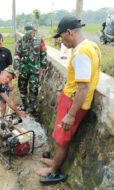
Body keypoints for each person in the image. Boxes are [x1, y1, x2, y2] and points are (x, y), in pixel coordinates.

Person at [36, 16, 101, 184]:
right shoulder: (90, 46)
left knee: (62, 139)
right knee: (59, 136)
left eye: (61, 37)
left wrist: (71, 114)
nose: (62, 42)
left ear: (69, 32)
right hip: (70, 100)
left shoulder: (81, 53)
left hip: (74, 105)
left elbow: (83, 88)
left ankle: (53, 170)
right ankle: (54, 162)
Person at [13, 23, 48, 116]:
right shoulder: (20, 41)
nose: (30, 35)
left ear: (34, 31)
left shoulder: (40, 40)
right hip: (23, 69)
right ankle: (24, 105)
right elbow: (16, 55)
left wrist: (43, 67)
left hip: (35, 70)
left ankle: (32, 107)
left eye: (31, 33)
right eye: (28, 33)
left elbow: (43, 53)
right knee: (22, 87)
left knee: (33, 88)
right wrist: (16, 68)